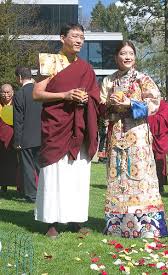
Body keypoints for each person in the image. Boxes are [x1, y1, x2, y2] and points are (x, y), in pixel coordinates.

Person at [32, 23, 100, 238]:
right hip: (57, 125)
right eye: (75, 36)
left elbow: (95, 96)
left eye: (82, 37)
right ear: (63, 38)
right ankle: (51, 222)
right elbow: (37, 94)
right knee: (54, 173)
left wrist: (86, 98)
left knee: (77, 173)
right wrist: (65, 95)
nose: (79, 40)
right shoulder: (50, 61)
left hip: (79, 126)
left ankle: (75, 220)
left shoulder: (86, 68)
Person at [100, 40, 168, 238]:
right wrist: (109, 104)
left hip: (137, 135)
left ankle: (147, 226)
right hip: (116, 135)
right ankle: (117, 226)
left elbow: (154, 104)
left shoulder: (143, 79)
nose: (127, 57)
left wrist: (130, 102)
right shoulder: (108, 81)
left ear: (135, 57)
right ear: (116, 57)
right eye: (123, 53)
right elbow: (101, 106)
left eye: (130, 53)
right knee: (118, 178)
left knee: (141, 178)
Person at [13, 66, 42, 203]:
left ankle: (32, 195)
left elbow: (18, 120)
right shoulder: (41, 91)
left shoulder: (19, 94)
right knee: (41, 167)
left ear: (19, 77)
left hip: (26, 137)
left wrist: (17, 140)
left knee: (28, 168)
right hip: (42, 136)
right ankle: (45, 192)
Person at [148, 99, 168, 193]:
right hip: (146, 136)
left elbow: (166, 121)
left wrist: (148, 118)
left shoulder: (163, 105)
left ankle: (160, 185)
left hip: (160, 138)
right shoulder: (144, 102)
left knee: (159, 162)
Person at [0, 84, 18, 192]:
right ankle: (3, 185)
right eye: (3, 92)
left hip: (12, 138)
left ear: (12, 93)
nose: (6, 95)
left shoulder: (17, 104)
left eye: (8, 92)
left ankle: (16, 184)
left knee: (14, 162)